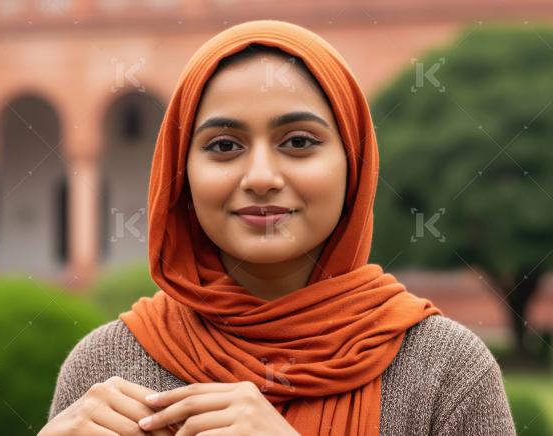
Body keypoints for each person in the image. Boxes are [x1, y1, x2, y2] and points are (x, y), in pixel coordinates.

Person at [40, 19, 516, 436]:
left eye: (299, 141)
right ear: (180, 172)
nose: (262, 177)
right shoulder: (108, 367)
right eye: (224, 146)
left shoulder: (443, 370)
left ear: (354, 162)